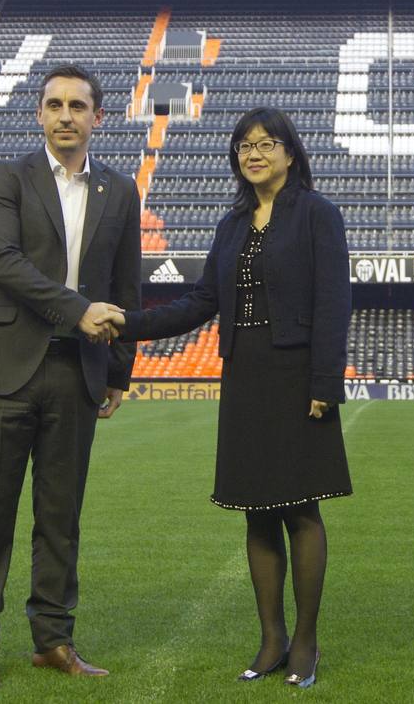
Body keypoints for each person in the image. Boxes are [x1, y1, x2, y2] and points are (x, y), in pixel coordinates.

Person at [93, 106, 351, 689]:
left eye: (265, 144)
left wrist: (324, 384)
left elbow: (334, 303)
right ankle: (271, 640)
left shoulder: (317, 214)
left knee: (301, 510)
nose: (253, 154)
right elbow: (200, 302)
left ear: (290, 151)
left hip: (296, 378)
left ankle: (306, 642)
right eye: (243, 146)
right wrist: (127, 323)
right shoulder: (232, 223)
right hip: (245, 377)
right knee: (256, 513)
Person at [0, 63, 141, 691]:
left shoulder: (120, 190)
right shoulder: (7, 177)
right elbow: (1, 262)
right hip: (6, 366)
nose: (65, 115)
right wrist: (77, 309)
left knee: (61, 515)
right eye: (54, 104)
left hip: (77, 373)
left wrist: (119, 370)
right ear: (39, 113)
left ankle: (53, 639)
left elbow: (124, 286)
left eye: (78, 106)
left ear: (97, 117)